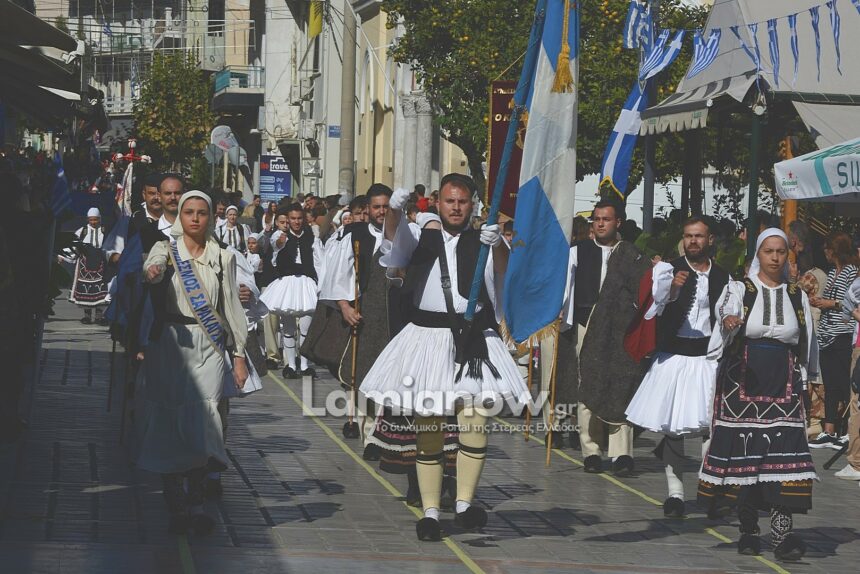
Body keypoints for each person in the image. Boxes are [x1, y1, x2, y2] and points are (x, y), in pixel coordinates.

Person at [360, 174, 529, 541]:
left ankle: (465, 504)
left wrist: (498, 242)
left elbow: (506, 270)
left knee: (475, 424)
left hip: (473, 340)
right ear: (438, 203)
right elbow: (395, 244)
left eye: (462, 201)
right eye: (450, 201)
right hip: (428, 340)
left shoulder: (484, 241)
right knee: (430, 431)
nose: (455, 208)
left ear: (473, 205)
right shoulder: (421, 238)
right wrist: (395, 210)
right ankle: (431, 512)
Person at [699, 228, 816, 562]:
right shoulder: (740, 288)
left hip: (784, 384)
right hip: (743, 385)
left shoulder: (796, 295)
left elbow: (807, 341)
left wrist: (811, 379)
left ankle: (782, 535)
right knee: (747, 459)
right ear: (758, 255)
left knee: (784, 459)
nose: (775, 258)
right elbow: (725, 313)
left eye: (781, 252)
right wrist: (729, 320)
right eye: (769, 251)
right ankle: (749, 530)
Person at [136, 190, 249, 535]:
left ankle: (197, 504)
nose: (195, 218)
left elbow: (232, 307)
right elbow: (151, 270)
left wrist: (239, 355)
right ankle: (176, 507)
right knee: (172, 424)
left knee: (205, 421)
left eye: (202, 212)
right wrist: (153, 270)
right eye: (189, 212)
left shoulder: (223, 256)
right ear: (181, 217)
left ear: (210, 217)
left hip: (210, 346)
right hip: (173, 345)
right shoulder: (166, 249)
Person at [625, 216, 730, 517]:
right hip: (673, 356)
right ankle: (675, 493)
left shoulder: (724, 276)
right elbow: (651, 308)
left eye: (698, 236)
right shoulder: (668, 270)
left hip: (707, 359)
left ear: (710, 240)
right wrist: (671, 290)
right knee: (673, 429)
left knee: (711, 427)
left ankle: (708, 489)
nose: (692, 241)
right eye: (688, 236)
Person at [558, 200, 650, 475]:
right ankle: (591, 451)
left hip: (620, 328)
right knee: (587, 385)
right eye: (596, 219)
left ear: (617, 222)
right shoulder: (578, 252)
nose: (599, 223)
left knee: (621, 386)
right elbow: (564, 288)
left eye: (605, 219)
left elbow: (644, 289)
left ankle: (622, 453)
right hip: (587, 324)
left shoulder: (631, 255)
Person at [260, 203, 325, 378]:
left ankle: (304, 365)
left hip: (306, 283)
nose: (296, 222)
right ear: (288, 220)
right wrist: (280, 242)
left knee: (305, 327)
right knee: (288, 328)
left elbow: (320, 263)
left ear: (304, 219)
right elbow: (275, 246)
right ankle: (290, 364)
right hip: (287, 283)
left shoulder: (312, 238)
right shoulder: (280, 236)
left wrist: (321, 286)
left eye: (299, 218)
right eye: (293, 218)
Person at [809, 232, 858, 449]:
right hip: (826, 334)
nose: (825, 253)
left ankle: (847, 430)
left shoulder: (850, 271)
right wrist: (820, 301)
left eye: (827, 248)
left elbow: (851, 301)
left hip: (842, 332)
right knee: (830, 383)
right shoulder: (832, 272)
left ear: (834, 250)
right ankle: (828, 429)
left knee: (843, 382)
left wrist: (830, 304)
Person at [62, 207, 110, 325]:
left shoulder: (105, 231)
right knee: (85, 289)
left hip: (100, 264)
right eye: (91, 220)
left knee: (101, 289)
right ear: (88, 220)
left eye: (96, 219)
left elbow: (110, 245)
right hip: (84, 265)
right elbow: (74, 245)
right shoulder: (82, 231)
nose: (93, 222)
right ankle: (87, 316)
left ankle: (99, 316)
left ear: (100, 219)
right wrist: (63, 256)